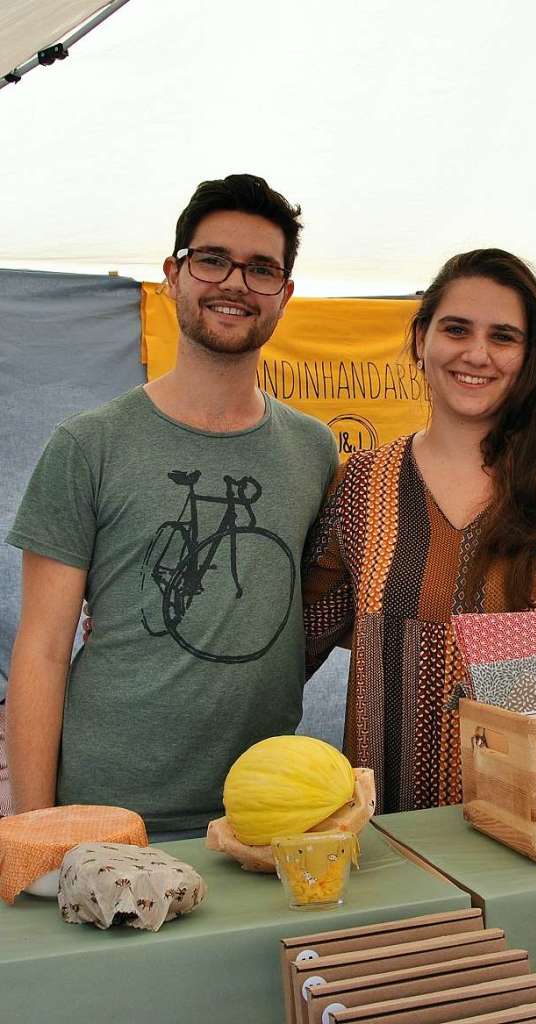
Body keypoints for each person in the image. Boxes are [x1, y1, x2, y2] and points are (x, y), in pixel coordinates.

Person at [5, 174, 338, 836]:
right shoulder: (89, 444)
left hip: (266, 814)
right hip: (108, 813)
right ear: (174, 275)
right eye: (212, 259)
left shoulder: (314, 450)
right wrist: (35, 829)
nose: (235, 283)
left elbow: (312, 605)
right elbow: (41, 647)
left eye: (261, 269)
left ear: (285, 295)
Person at [303, 248, 536, 814]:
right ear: (422, 337)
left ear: (530, 355)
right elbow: (295, 642)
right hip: (394, 833)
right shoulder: (362, 485)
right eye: (456, 329)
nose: (477, 354)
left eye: (503, 336)